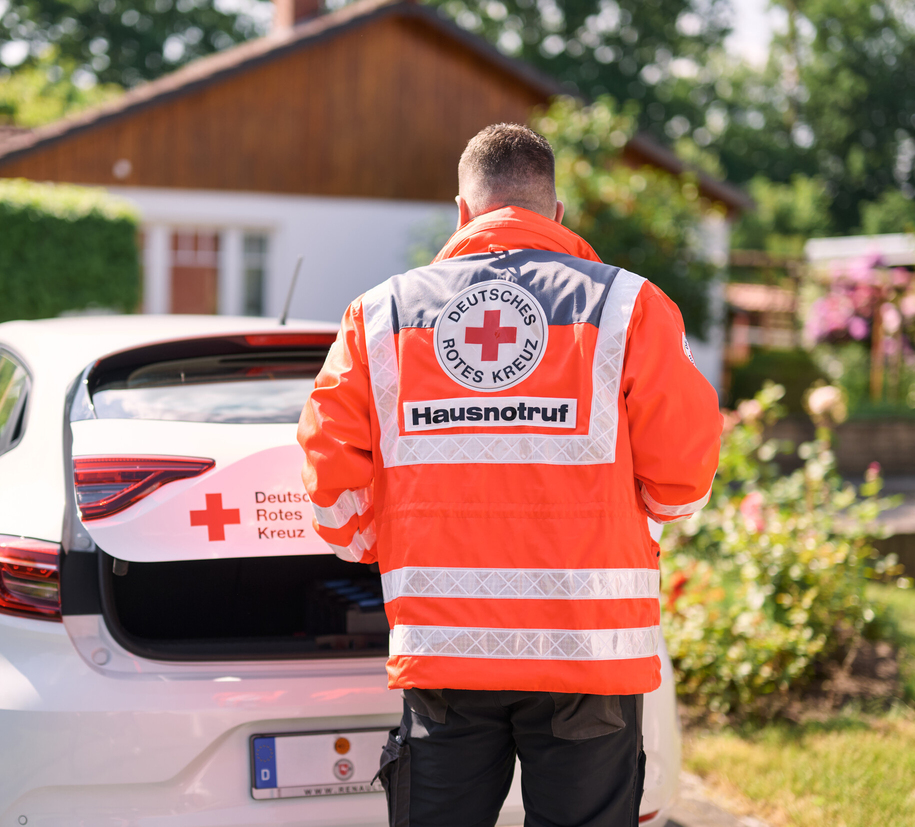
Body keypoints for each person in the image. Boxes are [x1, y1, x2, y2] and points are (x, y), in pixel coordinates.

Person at [297, 123, 721, 827]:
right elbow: (683, 480)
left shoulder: (380, 315)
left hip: (446, 651)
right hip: (590, 652)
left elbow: (332, 485)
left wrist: (380, 540)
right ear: (555, 215)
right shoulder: (630, 307)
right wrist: (631, 519)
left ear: (463, 212)